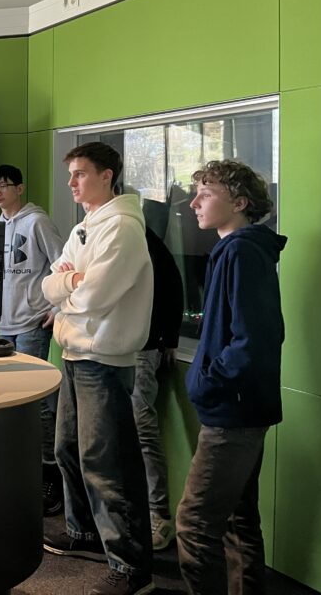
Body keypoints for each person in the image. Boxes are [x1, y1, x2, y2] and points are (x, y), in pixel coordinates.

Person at [40, 142, 154, 595]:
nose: (71, 182)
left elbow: (95, 297)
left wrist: (68, 288)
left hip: (103, 359)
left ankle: (131, 567)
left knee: (107, 463)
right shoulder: (86, 225)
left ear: (107, 176)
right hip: (74, 353)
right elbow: (50, 283)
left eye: (81, 173)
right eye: (70, 173)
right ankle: (84, 532)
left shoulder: (122, 227)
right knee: (68, 449)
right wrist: (71, 282)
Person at [176, 160, 285, 595]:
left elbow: (254, 338)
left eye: (206, 193)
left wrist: (208, 382)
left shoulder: (241, 252)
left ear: (239, 203)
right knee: (239, 523)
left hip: (233, 411)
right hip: (240, 406)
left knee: (194, 525)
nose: (194, 203)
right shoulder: (237, 249)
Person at [0, 164, 64, 516]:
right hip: (2, 324)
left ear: (20, 187)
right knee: (9, 396)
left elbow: (62, 264)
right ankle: (19, 467)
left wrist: (57, 307)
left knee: (38, 402)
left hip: (32, 321)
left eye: (3, 186)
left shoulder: (37, 222)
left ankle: (50, 472)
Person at [134, 227, 184, 551]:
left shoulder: (143, 237)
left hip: (144, 347)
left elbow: (172, 285)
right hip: (110, 349)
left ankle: (159, 514)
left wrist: (171, 337)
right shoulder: (97, 232)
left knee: (142, 427)